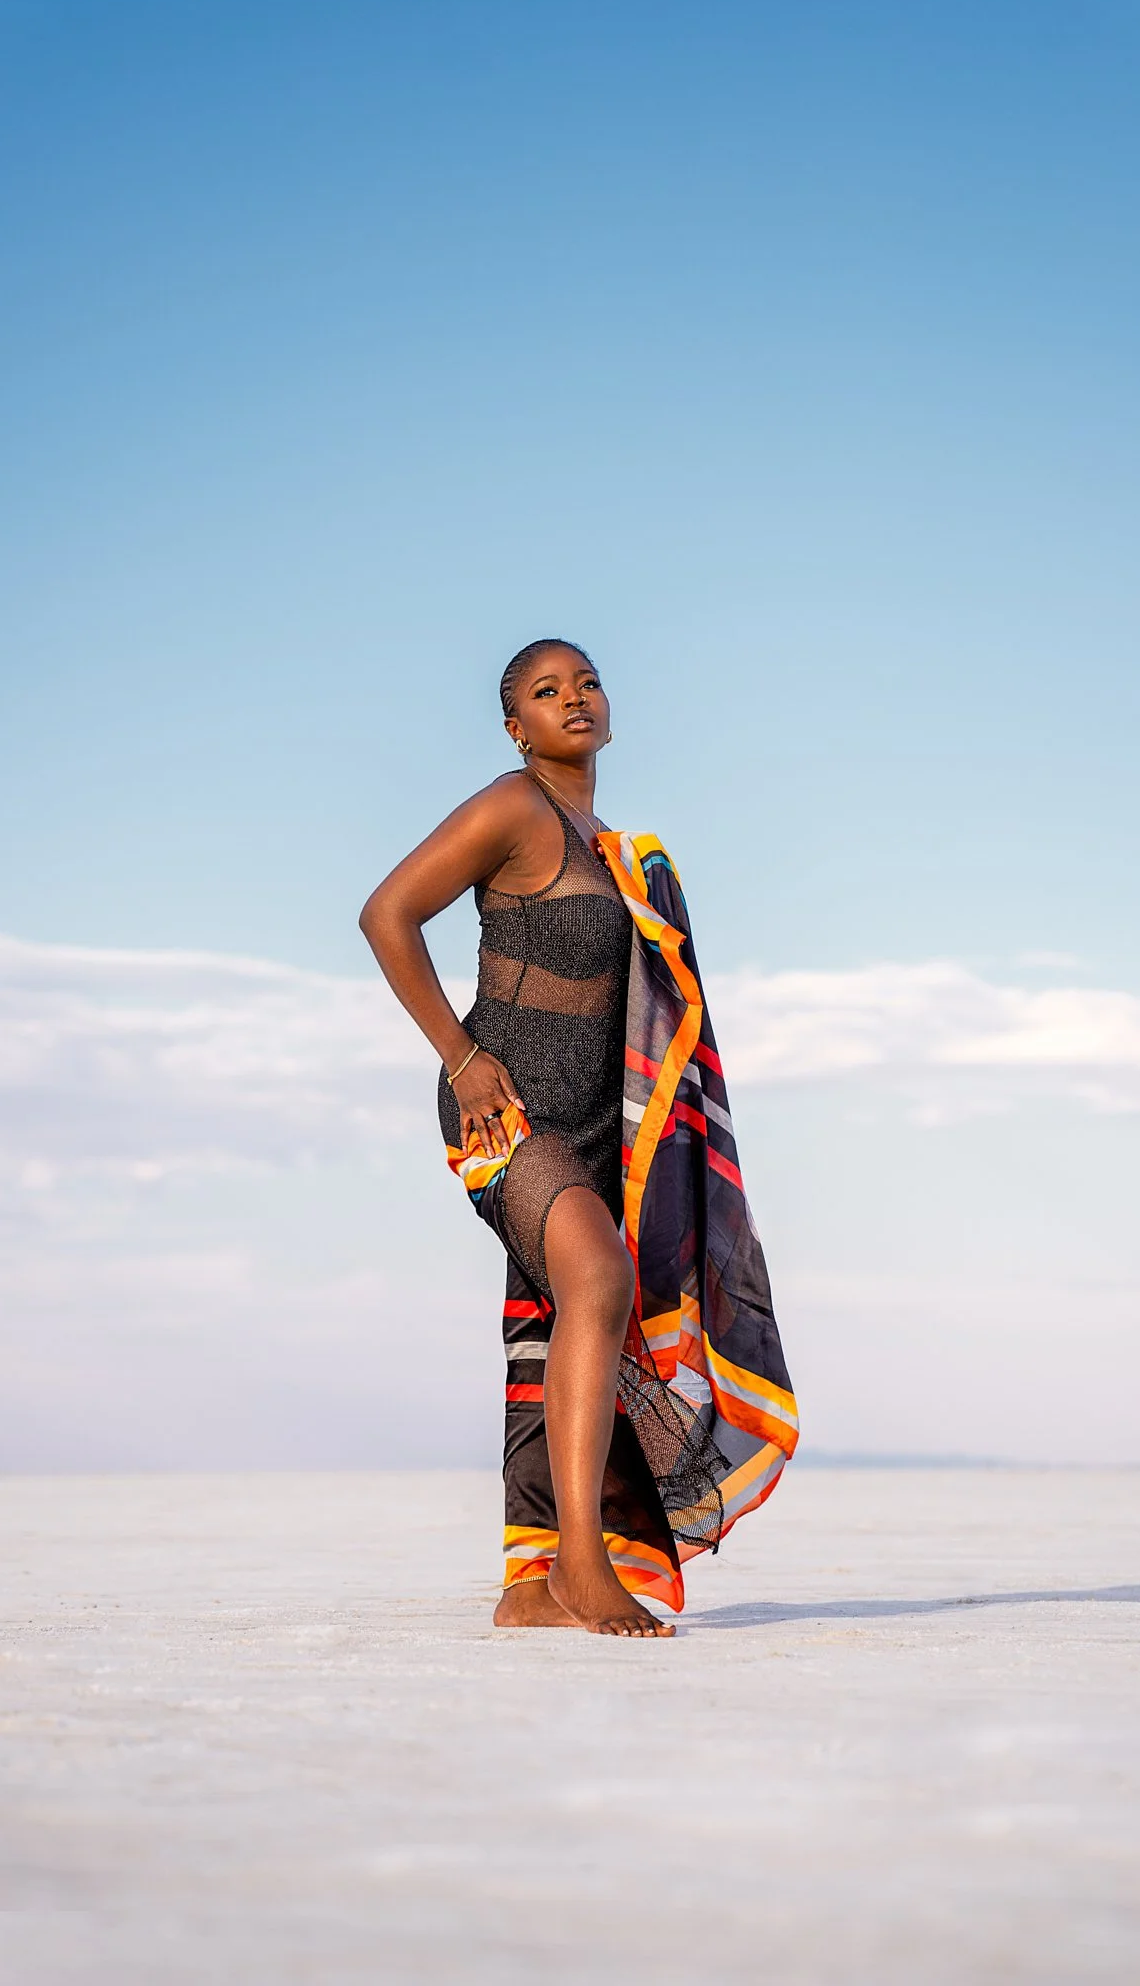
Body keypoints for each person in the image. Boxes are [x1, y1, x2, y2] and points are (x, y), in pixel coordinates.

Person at [360, 640, 796, 1637]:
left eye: (587, 682)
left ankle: (527, 1585)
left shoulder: (621, 850)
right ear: (515, 725)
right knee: (595, 1279)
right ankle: (582, 1564)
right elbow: (387, 912)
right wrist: (462, 1056)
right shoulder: (513, 807)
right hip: (504, 1106)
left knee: (553, 1322)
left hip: (605, 1123)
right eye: (547, 691)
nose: (575, 699)